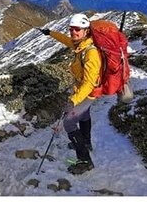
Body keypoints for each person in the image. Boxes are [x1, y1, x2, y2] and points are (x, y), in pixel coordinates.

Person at [39, 12, 100, 174]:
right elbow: (66, 40)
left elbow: (89, 83)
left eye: (77, 30)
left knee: (69, 123)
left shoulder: (91, 53)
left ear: (86, 31)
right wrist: (50, 33)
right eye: (71, 29)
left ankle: (85, 161)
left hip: (88, 93)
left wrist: (74, 100)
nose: (73, 33)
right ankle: (86, 142)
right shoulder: (80, 45)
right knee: (84, 116)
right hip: (83, 92)